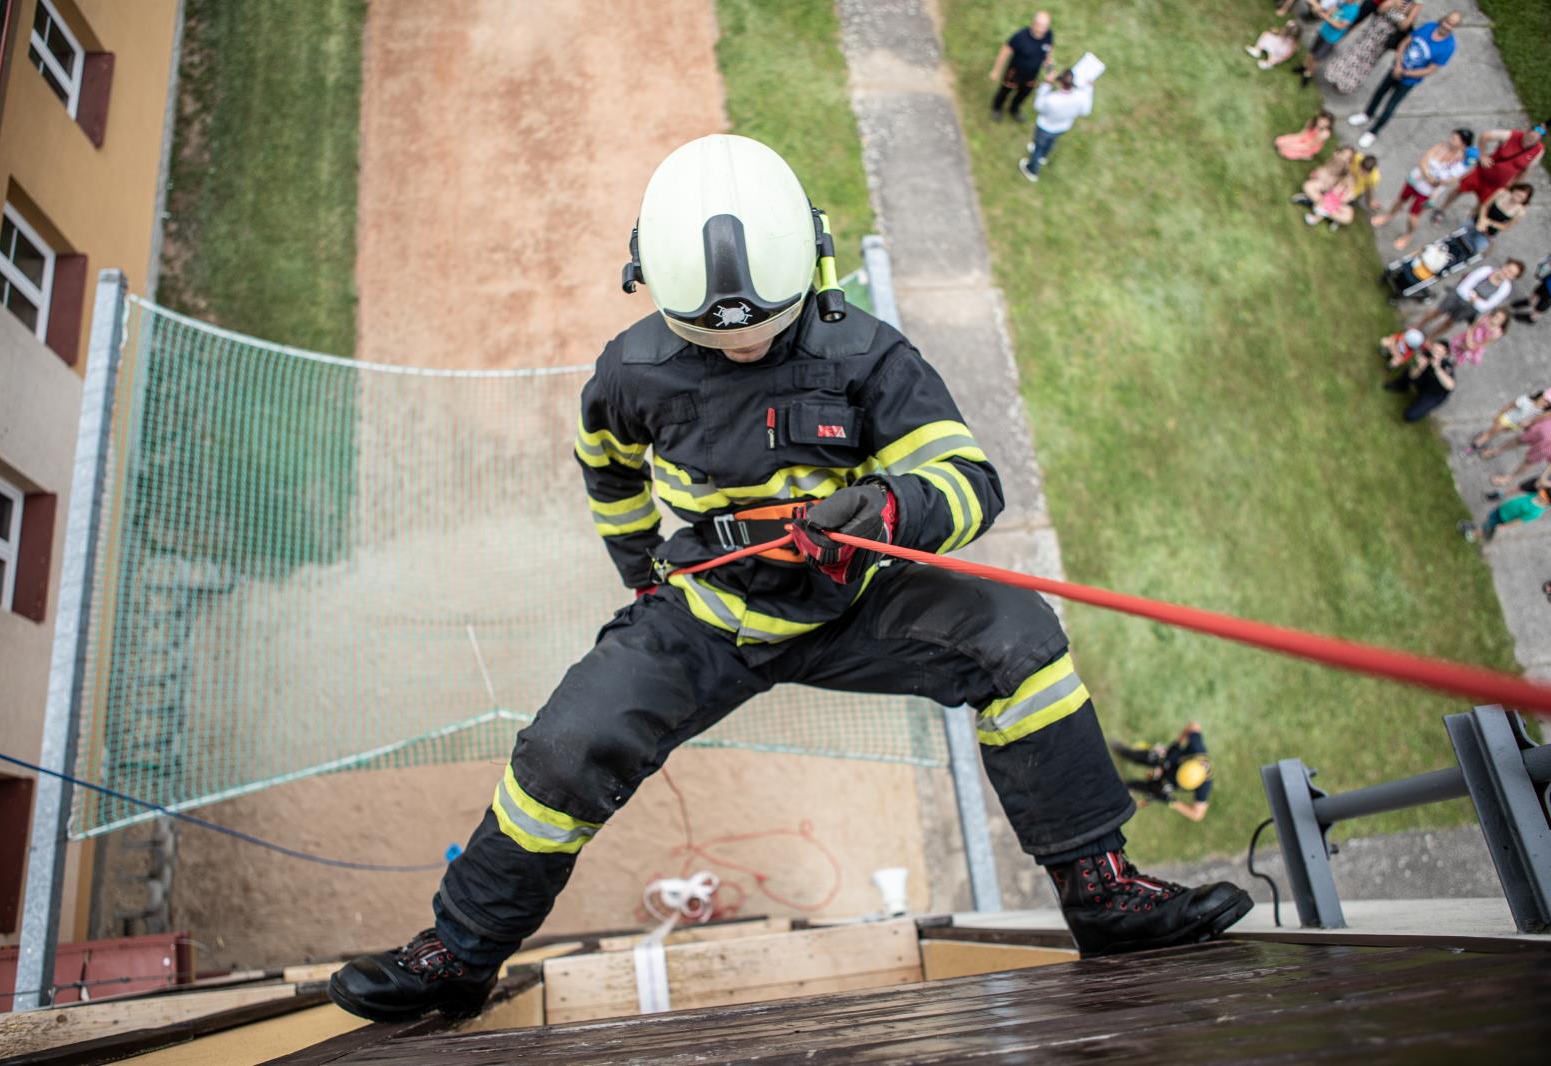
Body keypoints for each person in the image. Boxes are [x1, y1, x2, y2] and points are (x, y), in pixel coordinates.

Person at [325, 134, 1253, 1023]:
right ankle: (460, 955)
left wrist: (891, 511)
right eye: (714, 338)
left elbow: (970, 482)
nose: (741, 351)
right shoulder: (629, 374)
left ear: (810, 264)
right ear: (649, 283)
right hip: (706, 613)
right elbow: (607, 470)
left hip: (856, 601)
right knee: (567, 749)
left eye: (763, 334)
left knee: (1019, 639)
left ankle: (1102, 894)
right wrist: (644, 573)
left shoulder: (869, 356)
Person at [1348, 11, 1462, 149]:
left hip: (1409, 80)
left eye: (1452, 25)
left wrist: (1406, 72)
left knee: (1391, 105)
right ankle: (1367, 114)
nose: (1447, 26)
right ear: (1443, 19)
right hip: (1397, 67)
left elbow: (1431, 69)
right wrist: (1398, 64)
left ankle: (1373, 132)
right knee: (1380, 92)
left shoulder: (1448, 47)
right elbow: (1405, 42)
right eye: (1447, 21)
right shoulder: (1429, 27)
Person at [1369, 128, 1474, 250]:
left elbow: (1453, 179)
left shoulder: (1461, 162)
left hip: (1427, 192)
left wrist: (1437, 181)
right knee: (1401, 200)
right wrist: (1428, 176)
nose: (1451, 139)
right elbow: (1424, 160)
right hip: (1416, 179)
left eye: (1455, 138)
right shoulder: (1441, 146)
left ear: (1463, 144)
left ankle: (1408, 234)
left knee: (1413, 216)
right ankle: (1388, 216)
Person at [1432, 125, 1545, 222]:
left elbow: (1526, 169)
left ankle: (1468, 222)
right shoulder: (1512, 135)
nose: (1529, 140)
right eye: (1529, 136)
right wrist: (1482, 155)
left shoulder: (1538, 150)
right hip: (1482, 173)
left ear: (1538, 140)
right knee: (1459, 190)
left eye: (1534, 139)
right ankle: (1442, 209)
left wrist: (1514, 184)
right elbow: (1486, 135)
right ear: (1526, 132)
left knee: (1482, 204)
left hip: (1497, 184)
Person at [1111, 722, 1213, 823]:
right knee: (1140, 756)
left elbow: (1197, 815)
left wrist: (1173, 802)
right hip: (1166, 759)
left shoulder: (1204, 786)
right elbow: (1194, 726)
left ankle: (1125, 786)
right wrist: (1176, 744)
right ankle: (1125, 752)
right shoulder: (1197, 749)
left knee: (1148, 788)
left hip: (1168, 783)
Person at [1325, 0, 1422, 94]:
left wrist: (1393, 11)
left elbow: (1405, 26)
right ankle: (1336, 75)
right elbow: (1381, 8)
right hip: (1375, 29)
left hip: (1386, 38)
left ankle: (1347, 84)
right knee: (1356, 51)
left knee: (1368, 61)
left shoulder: (1415, 4)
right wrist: (1400, 15)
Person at [1411, 259, 1524, 338]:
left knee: (1450, 322)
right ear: (1504, 265)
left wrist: (1475, 301)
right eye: (1508, 269)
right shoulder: (1486, 270)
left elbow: (1490, 304)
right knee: (1437, 311)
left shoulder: (1505, 288)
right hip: (1460, 294)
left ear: (1513, 277)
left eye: (1511, 273)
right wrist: (1472, 297)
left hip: (1472, 307)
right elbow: (1467, 283)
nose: (1507, 273)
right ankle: (1418, 325)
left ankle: (1431, 337)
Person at [1020, 69, 1093, 181]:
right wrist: (1089, 88)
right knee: (1051, 142)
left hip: (1046, 126)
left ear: (1060, 82)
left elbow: (1038, 106)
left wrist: (1045, 84)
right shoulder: (1081, 97)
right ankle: (1043, 156)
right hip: (1063, 126)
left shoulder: (1052, 99)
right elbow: (1085, 111)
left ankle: (1032, 170)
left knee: (1038, 147)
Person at [989, 11, 1054, 123]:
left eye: (1045, 26)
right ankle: (997, 108)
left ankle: (1014, 109)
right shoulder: (1021, 37)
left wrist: (1048, 64)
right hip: (1015, 72)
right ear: (1033, 24)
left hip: (1032, 74)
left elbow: (1049, 49)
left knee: (1024, 93)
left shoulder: (1048, 35)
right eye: (1041, 26)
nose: (1043, 29)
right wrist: (996, 71)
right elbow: (1005, 52)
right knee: (1005, 91)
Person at [1297, 149, 1381, 226]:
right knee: (1308, 186)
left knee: (1347, 217)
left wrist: (1369, 202)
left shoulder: (1374, 178)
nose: (1360, 172)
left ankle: (1318, 205)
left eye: (1364, 172)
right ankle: (1325, 210)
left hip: (1351, 192)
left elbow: (1368, 190)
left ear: (1370, 171)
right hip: (1340, 181)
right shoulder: (1357, 157)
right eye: (1360, 168)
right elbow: (1342, 160)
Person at [1382, 337, 1455, 421]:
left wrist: (1437, 368)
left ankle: (1421, 405)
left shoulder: (1446, 366)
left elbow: (1450, 386)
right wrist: (1420, 367)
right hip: (1422, 383)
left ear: (1445, 355)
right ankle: (1401, 385)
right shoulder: (1426, 355)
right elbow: (1412, 375)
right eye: (1434, 350)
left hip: (1433, 394)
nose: (1434, 354)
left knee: (1410, 416)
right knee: (1410, 370)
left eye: (1438, 352)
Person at [1460, 482, 1551, 543]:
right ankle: (1478, 530)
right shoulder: (1535, 495)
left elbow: (1520, 521)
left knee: (1487, 527)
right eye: (1543, 491)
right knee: (1488, 520)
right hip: (1502, 509)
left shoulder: (1536, 512)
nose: (1540, 493)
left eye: (1543, 495)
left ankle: (1472, 534)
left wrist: (1504, 526)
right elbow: (1541, 482)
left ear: (1547, 501)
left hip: (1504, 518)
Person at [1298, 1, 1363, 85]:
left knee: (1317, 57)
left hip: (1331, 38)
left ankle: (1308, 74)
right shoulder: (1342, 3)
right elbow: (1330, 10)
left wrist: (1327, 18)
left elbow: (1341, 26)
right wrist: (1327, 12)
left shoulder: (1354, 10)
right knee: (1312, 50)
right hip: (1323, 31)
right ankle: (1304, 66)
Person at [1470, 387, 1551, 453]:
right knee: (1489, 434)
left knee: (1495, 433)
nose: (1546, 403)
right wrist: (1498, 414)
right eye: (1546, 400)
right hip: (1505, 420)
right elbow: (1510, 405)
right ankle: (1473, 446)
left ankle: (1480, 439)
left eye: (1548, 404)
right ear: (1541, 395)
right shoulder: (1526, 400)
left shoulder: (1540, 411)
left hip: (1514, 426)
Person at [1461, 183, 1534, 254]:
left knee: (1474, 249)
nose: (1516, 198)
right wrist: (1482, 219)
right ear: (1514, 189)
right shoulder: (1501, 193)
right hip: (1477, 220)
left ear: (1525, 200)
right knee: (1460, 234)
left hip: (1488, 233)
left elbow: (1506, 227)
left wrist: (1489, 223)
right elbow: (1485, 206)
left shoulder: (1520, 212)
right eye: (1517, 194)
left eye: (1521, 198)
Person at [1488, 414, 1551, 487]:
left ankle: (1507, 478)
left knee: (1530, 461)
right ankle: (1496, 450)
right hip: (1546, 427)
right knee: (1520, 440)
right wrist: (1532, 420)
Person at [1445, 308, 1510, 366]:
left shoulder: (1497, 333)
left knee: (1463, 356)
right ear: (1493, 315)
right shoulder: (1485, 319)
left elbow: (1484, 344)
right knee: (1457, 347)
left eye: (1500, 319)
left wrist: (1471, 345)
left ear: (1503, 323)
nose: (1496, 319)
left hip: (1477, 345)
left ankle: (1451, 366)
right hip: (1470, 336)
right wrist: (1469, 339)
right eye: (1496, 316)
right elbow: (1472, 328)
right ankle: (1446, 356)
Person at [1510, 255, 1551, 324]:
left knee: (1542, 305)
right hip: (1548, 280)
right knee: (1537, 292)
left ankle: (1532, 318)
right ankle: (1529, 302)